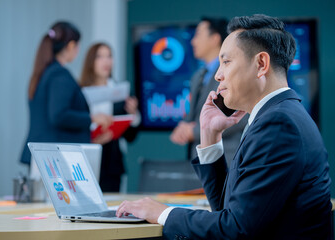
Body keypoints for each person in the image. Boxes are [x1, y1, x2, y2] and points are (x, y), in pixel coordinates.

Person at [116, 14, 332, 239]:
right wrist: (210, 135)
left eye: (226, 62)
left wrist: (162, 213)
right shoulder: (277, 115)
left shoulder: (278, 124)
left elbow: (235, 228)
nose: (218, 75)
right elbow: (229, 212)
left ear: (261, 64)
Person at [20, 22, 112, 167]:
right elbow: (58, 115)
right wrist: (93, 118)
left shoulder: (43, 73)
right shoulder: (60, 76)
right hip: (52, 158)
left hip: (43, 154)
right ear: (71, 46)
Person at [170, 17, 248, 163]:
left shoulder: (234, 72)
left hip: (226, 158)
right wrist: (184, 127)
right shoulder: (198, 76)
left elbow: (240, 115)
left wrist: (193, 132)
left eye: (198, 35)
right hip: (198, 158)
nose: (193, 41)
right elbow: (195, 113)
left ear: (215, 39)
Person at [79, 43, 140, 192]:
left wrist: (134, 115)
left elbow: (130, 137)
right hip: (85, 158)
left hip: (112, 162)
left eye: (109, 56)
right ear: (91, 61)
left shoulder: (121, 92)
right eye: (100, 57)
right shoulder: (79, 91)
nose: (106, 61)